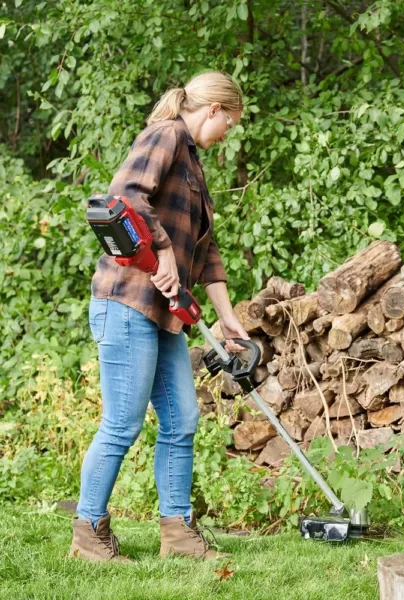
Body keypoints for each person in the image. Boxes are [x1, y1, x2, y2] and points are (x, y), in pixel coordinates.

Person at [70, 71, 250, 562]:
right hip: (127, 301)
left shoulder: (194, 162)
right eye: (228, 124)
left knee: (182, 419)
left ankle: (178, 532)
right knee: (123, 423)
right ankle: (88, 531)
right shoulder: (167, 133)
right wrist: (164, 250)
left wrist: (226, 317)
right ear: (214, 109)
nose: (226, 135)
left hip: (166, 314)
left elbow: (207, 252)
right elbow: (123, 194)